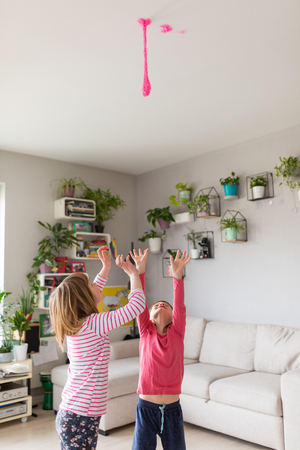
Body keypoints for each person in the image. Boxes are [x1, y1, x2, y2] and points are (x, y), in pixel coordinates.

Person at [49, 245, 146, 450]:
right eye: (92, 284)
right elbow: (136, 307)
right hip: (80, 417)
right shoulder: (93, 323)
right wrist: (134, 274)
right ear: (85, 297)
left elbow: (92, 292)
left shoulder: (77, 323)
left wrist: (106, 268)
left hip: (74, 413)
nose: (97, 284)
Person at [130, 248, 191, 450]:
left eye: (165, 304)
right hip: (146, 407)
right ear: (148, 316)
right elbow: (138, 300)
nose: (161, 305)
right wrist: (140, 271)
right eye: (156, 305)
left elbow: (179, 302)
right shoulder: (146, 331)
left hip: (172, 409)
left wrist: (177, 275)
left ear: (174, 316)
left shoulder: (177, 332)